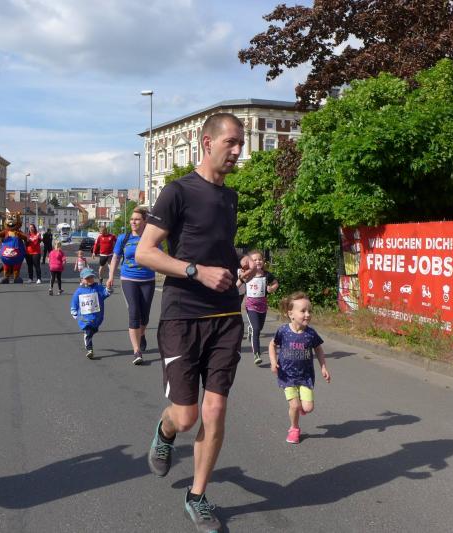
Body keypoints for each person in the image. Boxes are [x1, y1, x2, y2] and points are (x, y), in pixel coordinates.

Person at [135, 113, 254, 532]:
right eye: (231, 142)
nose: (238, 150)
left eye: (241, 143)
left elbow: (218, 247)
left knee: (215, 409)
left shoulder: (230, 197)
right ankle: (166, 431)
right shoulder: (177, 191)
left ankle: (197, 496)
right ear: (207, 143)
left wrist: (241, 260)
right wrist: (195, 271)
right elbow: (145, 253)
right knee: (186, 417)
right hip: (183, 315)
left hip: (225, 315)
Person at [269, 292, 330, 444]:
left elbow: (318, 349)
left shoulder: (310, 333)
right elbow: (272, 345)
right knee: (294, 405)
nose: (307, 314)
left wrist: (323, 367)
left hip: (305, 376)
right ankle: (294, 429)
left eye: (309, 311)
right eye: (303, 311)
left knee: (308, 408)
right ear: (291, 314)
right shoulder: (283, 331)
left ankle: (301, 407)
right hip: (287, 375)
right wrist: (273, 361)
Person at [107, 207, 158, 366]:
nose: (133, 222)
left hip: (148, 280)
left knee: (145, 315)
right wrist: (110, 276)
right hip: (128, 279)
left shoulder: (151, 239)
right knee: (134, 312)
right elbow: (116, 258)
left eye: (137, 219)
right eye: (131, 219)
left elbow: (159, 257)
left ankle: (141, 334)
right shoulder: (124, 238)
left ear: (145, 221)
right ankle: (137, 351)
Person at [239, 250, 279, 366]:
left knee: (259, 328)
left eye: (260, 259)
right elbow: (239, 282)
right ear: (250, 262)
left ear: (263, 261)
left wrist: (272, 288)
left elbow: (276, 283)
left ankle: (251, 329)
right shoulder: (247, 273)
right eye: (254, 260)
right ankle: (257, 354)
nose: (257, 261)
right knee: (256, 329)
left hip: (263, 306)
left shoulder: (267, 275)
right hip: (251, 306)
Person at [70, 268, 112, 359]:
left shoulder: (98, 288)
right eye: (87, 278)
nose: (90, 280)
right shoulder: (79, 291)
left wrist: (109, 288)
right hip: (85, 318)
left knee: (94, 330)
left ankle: (89, 338)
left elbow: (106, 293)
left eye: (91, 277)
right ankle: (90, 349)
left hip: (97, 317)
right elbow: (74, 303)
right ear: (82, 280)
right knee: (88, 331)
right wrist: (75, 314)